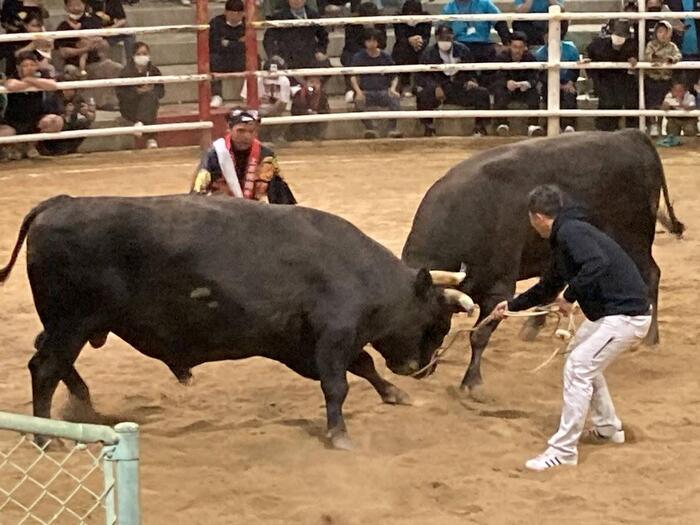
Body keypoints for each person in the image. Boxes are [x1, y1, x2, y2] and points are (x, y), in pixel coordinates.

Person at [491, 184, 652, 472]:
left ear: (538, 217)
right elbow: (547, 287)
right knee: (581, 356)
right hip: (612, 316)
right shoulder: (565, 237)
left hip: (626, 316)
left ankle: (563, 451)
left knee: (579, 366)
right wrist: (511, 306)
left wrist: (569, 296)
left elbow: (597, 263)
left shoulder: (571, 232)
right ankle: (607, 428)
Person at [191, 108, 297, 204]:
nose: (247, 136)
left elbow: (281, 197)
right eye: (241, 131)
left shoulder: (266, 157)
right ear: (229, 128)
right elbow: (197, 194)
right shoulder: (215, 155)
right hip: (221, 213)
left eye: (251, 131)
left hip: (252, 214)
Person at [416, 24, 491, 137]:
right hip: (440, 88)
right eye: (442, 38)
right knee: (422, 95)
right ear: (436, 38)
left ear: (452, 37)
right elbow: (422, 76)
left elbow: (472, 70)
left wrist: (472, 80)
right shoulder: (428, 53)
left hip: (461, 87)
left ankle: (480, 127)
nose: (445, 41)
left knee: (483, 93)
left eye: (448, 38)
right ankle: (428, 127)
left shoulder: (463, 50)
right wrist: (434, 86)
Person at [55, 0, 122, 109]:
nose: (75, 7)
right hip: (73, 65)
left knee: (115, 67)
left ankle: (104, 102)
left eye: (78, 4)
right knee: (69, 71)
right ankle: (78, 104)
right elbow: (63, 52)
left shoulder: (93, 21)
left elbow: (105, 45)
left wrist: (98, 43)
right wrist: (83, 49)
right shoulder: (63, 26)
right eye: (72, 5)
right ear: (66, 7)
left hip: (94, 62)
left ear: (84, 5)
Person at [1, 51, 63, 159]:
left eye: (32, 65)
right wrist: (30, 83)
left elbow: (52, 85)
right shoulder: (13, 74)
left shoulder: (42, 74)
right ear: (18, 67)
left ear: (37, 66)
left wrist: (30, 80)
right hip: (13, 120)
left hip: (35, 118)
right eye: (25, 65)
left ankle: (31, 147)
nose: (29, 68)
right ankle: (13, 147)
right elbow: (11, 85)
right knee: (6, 132)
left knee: (56, 121)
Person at [587, 19, 639, 131]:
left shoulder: (632, 44)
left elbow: (636, 57)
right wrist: (588, 61)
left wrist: (634, 59)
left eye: (623, 34)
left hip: (623, 81)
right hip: (604, 79)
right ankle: (603, 130)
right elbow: (589, 55)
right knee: (607, 104)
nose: (619, 36)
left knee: (628, 101)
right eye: (617, 33)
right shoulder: (598, 44)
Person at [350, 28, 402, 139]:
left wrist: (392, 89)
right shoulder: (358, 57)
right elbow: (353, 76)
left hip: (383, 91)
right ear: (364, 42)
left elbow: (394, 75)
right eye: (369, 41)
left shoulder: (385, 56)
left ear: (378, 42)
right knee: (358, 101)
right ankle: (371, 128)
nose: (371, 44)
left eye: (374, 41)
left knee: (394, 99)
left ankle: (392, 129)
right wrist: (358, 91)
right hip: (366, 92)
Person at [491, 31, 543, 137]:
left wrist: (528, 83)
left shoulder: (530, 58)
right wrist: (506, 83)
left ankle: (533, 125)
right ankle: (502, 124)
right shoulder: (502, 57)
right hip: (507, 89)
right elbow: (496, 77)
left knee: (534, 93)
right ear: (510, 46)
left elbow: (535, 76)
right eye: (515, 47)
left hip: (524, 90)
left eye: (520, 47)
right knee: (499, 91)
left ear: (525, 47)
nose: (517, 50)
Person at [534, 20, 580, 132]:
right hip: (548, 84)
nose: (547, 37)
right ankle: (549, 126)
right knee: (547, 92)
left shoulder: (571, 50)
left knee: (570, 94)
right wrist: (557, 85)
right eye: (546, 34)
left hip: (566, 83)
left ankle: (569, 125)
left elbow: (575, 70)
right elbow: (541, 75)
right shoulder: (539, 54)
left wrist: (570, 82)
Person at [116, 41, 164, 149]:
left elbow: (161, 92)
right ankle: (151, 138)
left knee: (150, 98)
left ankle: (140, 123)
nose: (142, 56)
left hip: (149, 103)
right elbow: (121, 94)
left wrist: (150, 90)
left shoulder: (154, 70)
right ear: (133, 56)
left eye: (145, 53)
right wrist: (137, 92)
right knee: (149, 104)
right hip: (130, 107)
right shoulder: (125, 72)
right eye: (139, 54)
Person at [39, 64, 96, 155]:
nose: (68, 91)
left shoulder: (77, 98)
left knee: (84, 123)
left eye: (71, 89)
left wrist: (86, 113)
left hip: (69, 126)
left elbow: (91, 118)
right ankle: (55, 150)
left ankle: (70, 149)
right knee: (56, 123)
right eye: (66, 88)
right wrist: (66, 114)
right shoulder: (53, 99)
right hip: (53, 131)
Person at [263, 0, 331, 73]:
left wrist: (320, 51)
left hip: (309, 56)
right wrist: (274, 55)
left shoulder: (313, 15)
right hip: (286, 57)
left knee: (325, 64)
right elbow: (268, 39)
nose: (296, 1)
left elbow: (323, 37)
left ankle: (312, 83)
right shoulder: (279, 17)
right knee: (272, 66)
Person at [340, 1, 387, 103]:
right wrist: (365, 51)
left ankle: (384, 89)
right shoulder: (352, 23)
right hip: (356, 51)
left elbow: (383, 43)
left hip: (375, 50)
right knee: (348, 57)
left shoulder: (380, 23)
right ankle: (350, 89)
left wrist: (373, 34)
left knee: (385, 57)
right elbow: (349, 43)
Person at [441, 0, 511, 65]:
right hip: (459, 45)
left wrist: (506, 43)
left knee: (502, 53)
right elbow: (442, 30)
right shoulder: (449, 8)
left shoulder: (485, 3)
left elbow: (500, 23)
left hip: (484, 44)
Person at [644, 20, 682, 136]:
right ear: (656, 33)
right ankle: (653, 124)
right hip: (652, 79)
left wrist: (671, 59)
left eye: (666, 32)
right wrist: (656, 59)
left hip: (665, 80)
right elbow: (648, 56)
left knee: (662, 104)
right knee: (651, 104)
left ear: (670, 33)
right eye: (660, 32)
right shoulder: (651, 45)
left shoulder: (672, 46)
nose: (663, 34)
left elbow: (678, 55)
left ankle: (659, 125)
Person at [209, 0, 246, 108]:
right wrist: (237, 43)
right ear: (225, 12)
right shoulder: (216, 23)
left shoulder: (247, 23)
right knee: (212, 59)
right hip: (222, 58)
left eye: (238, 13)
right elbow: (214, 45)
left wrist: (228, 43)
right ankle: (216, 95)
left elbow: (248, 45)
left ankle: (249, 93)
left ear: (243, 13)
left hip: (239, 58)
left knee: (255, 59)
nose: (235, 17)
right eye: (231, 13)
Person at [391, 0, 431, 96]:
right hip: (403, 46)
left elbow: (426, 37)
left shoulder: (426, 18)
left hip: (420, 46)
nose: (412, 15)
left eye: (415, 13)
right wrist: (409, 40)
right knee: (403, 51)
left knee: (425, 53)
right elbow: (399, 37)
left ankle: (419, 84)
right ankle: (405, 84)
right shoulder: (398, 19)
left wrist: (419, 41)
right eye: (409, 13)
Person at [86, 0, 135, 64]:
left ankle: (131, 63)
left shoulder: (114, 1)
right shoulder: (87, 2)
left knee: (129, 34)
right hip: (93, 32)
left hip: (110, 32)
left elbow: (122, 20)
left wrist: (110, 29)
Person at [288, 74, 329, 141]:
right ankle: (299, 140)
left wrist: (317, 113)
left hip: (316, 122)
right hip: (301, 122)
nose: (314, 85)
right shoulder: (299, 94)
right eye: (311, 82)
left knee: (319, 123)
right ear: (306, 83)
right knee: (299, 125)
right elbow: (294, 110)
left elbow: (326, 111)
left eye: (317, 83)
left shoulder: (323, 96)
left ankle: (316, 139)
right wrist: (306, 112)